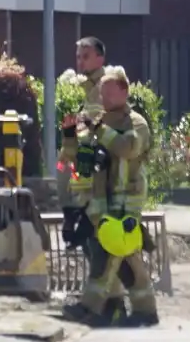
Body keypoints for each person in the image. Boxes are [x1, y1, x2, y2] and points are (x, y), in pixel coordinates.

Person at [59, 66, 159, 327]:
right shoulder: (99, 122)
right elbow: (78, 159)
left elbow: (128, 148)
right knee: (124, 256)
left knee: (111, 252)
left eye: (109, 94)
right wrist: (70, 134)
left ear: (124, 92)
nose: (103, 99)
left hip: (126, 199)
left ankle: (90, 307)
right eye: (101, 94)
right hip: (101, 199)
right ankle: (144, 310)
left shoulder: (135, 122)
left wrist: (100, 129)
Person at [58, 36, 128, 321]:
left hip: (103, 181)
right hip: (90, 182)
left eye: (85, 56)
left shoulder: (104, 89)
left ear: (100, 58)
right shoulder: (90, 91)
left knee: (98, 245)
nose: (80, 61)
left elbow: (100, 133)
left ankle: (102, 306)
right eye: (78, 56)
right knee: (93, 244)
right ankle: (112, 305)